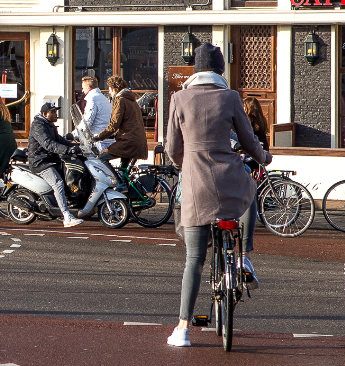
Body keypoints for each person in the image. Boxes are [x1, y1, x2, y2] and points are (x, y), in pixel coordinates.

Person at [164, 42, 271, 348]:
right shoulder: (230, 96)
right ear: (221, 70)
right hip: (228, 177)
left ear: (195, 70)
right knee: (249, 189)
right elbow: (249, 140)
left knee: (194, 259)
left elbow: (172, 147)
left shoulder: (179, 98)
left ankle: (183, 328)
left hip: (196, 184)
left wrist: (183, 165)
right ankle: (244, 258)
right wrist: (263, 157)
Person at [28, 102, 79, 226]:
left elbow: (59, 140)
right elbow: (48, 144)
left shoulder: (49, 125)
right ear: (45, 114)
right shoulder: (38, 125)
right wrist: (67, 150)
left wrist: (77, 146)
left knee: (70, 177)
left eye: (56, 111)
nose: (56, 114)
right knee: (58, 183)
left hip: (51, 159)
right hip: (40, 161)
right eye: (53, 112)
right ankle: (66, 216)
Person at [95, 76, 147, 169]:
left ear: (115, 89)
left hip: (128, 142)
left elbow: (114, 124)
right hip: (137, 141)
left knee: (101, 159)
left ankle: (118, 182)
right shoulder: (131, 100)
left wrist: (98, 137)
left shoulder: (120, 100)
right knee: (123, 170)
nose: (109, 92)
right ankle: (122, 182)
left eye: (109, 89)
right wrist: (112, 135)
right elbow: (128, 123)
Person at [79, 76, 113, 152]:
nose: (82, 90)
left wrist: (75, 134)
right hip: (106, 138)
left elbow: (87, 120)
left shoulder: (92, 99)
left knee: (89, 161)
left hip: (98, 140)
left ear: (88, 87)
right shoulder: (103, 97)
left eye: (83, 88)